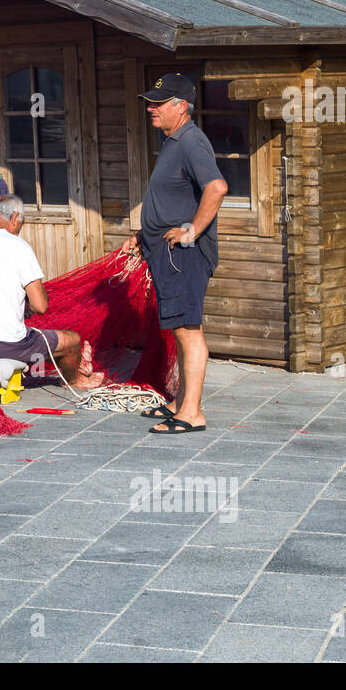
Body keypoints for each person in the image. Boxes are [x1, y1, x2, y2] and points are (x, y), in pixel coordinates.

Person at [124, 73, 228, 433]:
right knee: (180, 331)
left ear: (180, 107)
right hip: (166, 253)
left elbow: (216, 187)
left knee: (188, 331)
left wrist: (192, 230)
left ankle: (192, 414)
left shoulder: (191, 142)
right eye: (150, 102)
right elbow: (172, 198)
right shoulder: (173, 140)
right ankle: (180, 401)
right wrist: (142, 234)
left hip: (184, 256)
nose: (150, 109)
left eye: (159, 103)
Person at [0, 195, 104, 390]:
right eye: (21, 222)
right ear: (14, 218)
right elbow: (40, 306)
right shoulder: (17, 246)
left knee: (35, 337)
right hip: (3, 345)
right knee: (70, 340)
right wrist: (30, 302)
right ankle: (75, 381)